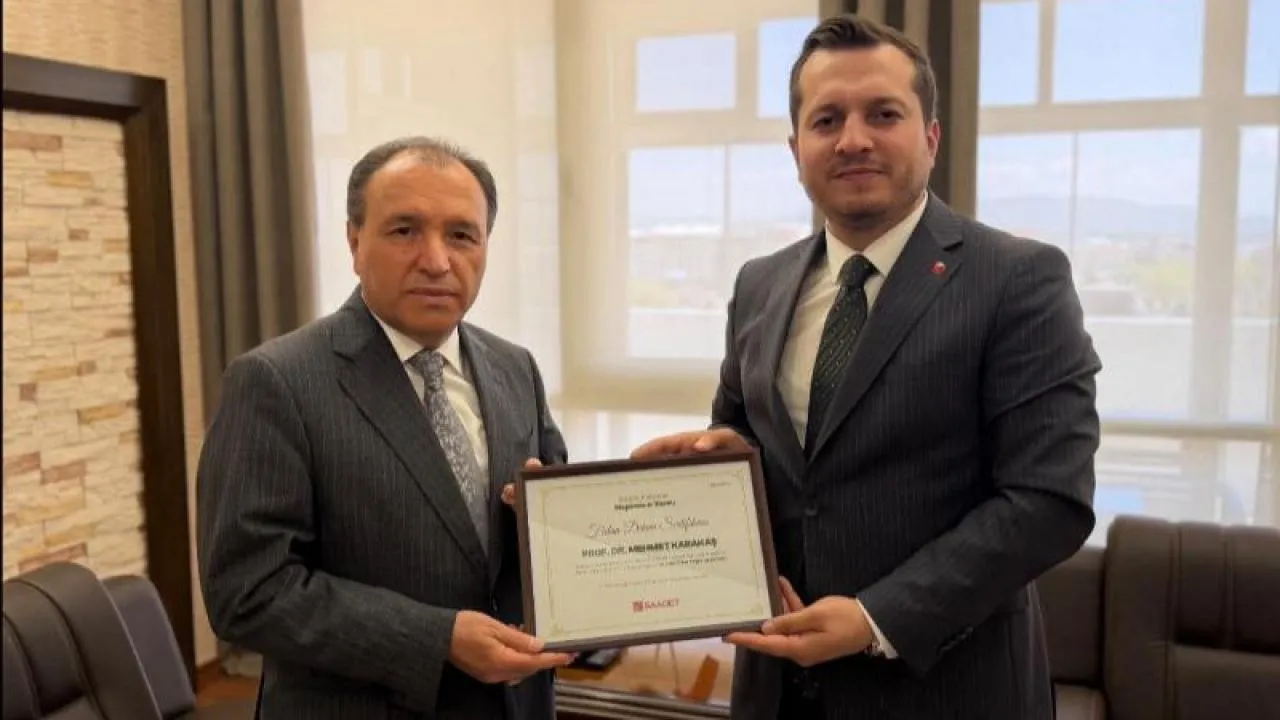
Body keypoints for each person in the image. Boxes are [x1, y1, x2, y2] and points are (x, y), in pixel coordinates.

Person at [631, 14, 1101, 720]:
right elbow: (747, 434)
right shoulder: (759, 285)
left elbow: (1048, 500)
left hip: (946, 690)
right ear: (796, 150)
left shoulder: (1017, 278)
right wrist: (726, 454)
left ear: (930, 137)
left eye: (883, 114)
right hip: (777, 687)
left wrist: (877, 617)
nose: (853, 139)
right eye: (827, 120)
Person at [197, 137, 574, 719]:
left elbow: (555, 523)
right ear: (354, 241)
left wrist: (548, 516)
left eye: (461, 235)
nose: (437, 261)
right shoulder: (277, 381)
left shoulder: (515, 367)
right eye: (405, 231)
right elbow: (247, 592)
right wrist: (436, 638)